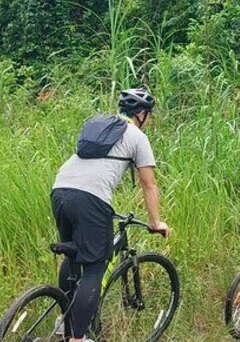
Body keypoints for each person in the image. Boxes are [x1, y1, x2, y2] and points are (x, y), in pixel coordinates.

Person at [51, 88, 169, 342]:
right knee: (95, 267)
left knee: (73, 255)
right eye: (149, 115)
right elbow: (149, 184)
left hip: (60, 189)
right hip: (90, 198)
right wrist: (155, 222)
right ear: (140, 114)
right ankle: (78, 338)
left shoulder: (99, 127)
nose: (149, 120)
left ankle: (63, 323)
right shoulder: (137, 136)